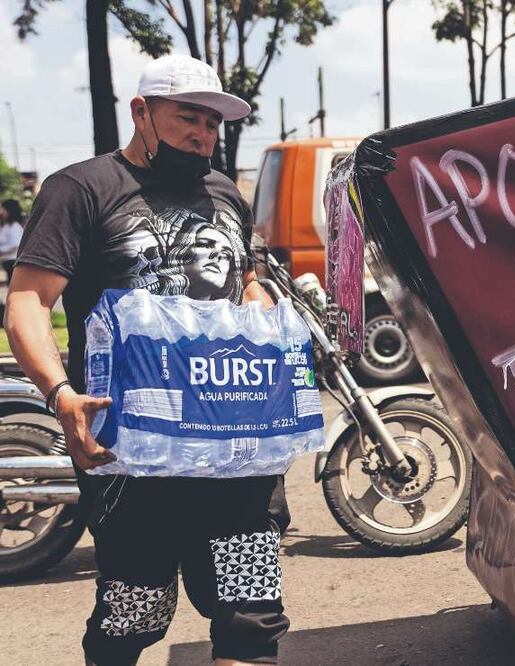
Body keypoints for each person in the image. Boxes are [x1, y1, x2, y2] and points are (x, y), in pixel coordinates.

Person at [4, 55, 290, 665]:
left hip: (235, 447)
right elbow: (28, 302)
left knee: (251, 614)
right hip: (132, 456)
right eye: (189, 118)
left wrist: (265, 314)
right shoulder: (80, 189)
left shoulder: (224, 196)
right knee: (136, 615)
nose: (203, 136)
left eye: (212, 125)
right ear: (141, 113)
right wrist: (60, 394)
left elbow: (247, 284)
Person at [0, 198, 25, 280]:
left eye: (3, 209)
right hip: (7, 261)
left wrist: (2, 251)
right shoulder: (6, 226)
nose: (1, 211)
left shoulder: (14, 226)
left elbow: (16, 244)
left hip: (13, 261)